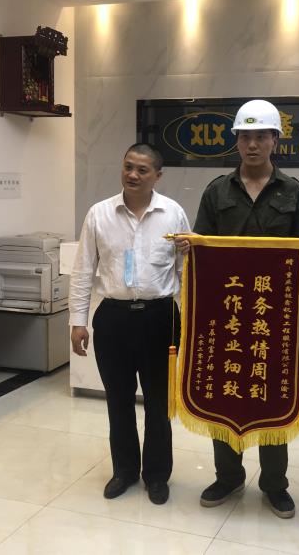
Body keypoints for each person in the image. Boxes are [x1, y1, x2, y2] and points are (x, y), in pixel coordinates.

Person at [176, 99, 299, 519]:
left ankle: (275, 484)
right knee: (224, 390)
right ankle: (228, 476)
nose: (252, 144)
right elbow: (202, 246)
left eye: (261, 136)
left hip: (275, 319)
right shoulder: (217, 190)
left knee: (274, 392)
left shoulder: (292, 191)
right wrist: (190, 247)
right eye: (245, 137)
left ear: (275, 140)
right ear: (236, 141)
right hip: (225, 315)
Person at [69, 143, 190, 506]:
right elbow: (83, 270)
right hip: (113, 318)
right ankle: (124, 471)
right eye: (128, 167)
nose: (133, 175)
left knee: (158, 403)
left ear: (158, 176)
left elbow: (187, 270)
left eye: (142, 170)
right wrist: (78, 321)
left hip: (160, 317)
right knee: (118, 401)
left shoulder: (173, 213)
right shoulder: (99, 214)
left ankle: (157, 475)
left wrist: (194, 319)